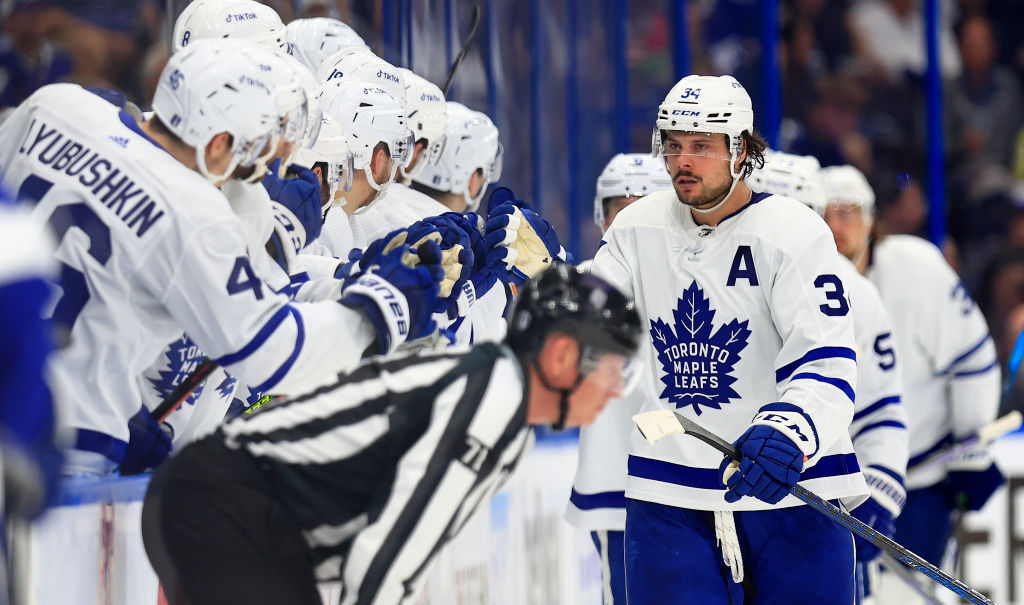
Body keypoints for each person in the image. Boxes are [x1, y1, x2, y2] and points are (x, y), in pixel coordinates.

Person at [0, 39, 441, 476]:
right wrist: (377, 310)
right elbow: (268, 349)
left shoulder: (53, 105)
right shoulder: (191, 211)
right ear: (218, 144)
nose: (255, 179)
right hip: (67, 447)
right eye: (255, 161)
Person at [141, 264, 642, 605]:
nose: (616, 392)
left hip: (236, 507)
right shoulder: (493, 400)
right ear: (560, 358)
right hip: (223, 501)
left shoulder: (502, 402)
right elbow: (386, 561)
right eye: (614, 370)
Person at [591, 74, 867, 603]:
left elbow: (827, 357)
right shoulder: (636, 228)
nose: (683, 161)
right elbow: (592, 316)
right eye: (673, 146)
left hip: (792, 488)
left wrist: (792, 431)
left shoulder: (793, 230)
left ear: (740, 150)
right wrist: (539, 275)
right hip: (670, 494)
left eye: (701, 146)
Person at [820, 164, 1004, 570]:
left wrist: (970, 454)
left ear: (870, 220)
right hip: (832, 488)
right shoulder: (791, 279)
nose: (834, 225)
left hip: (920, 478)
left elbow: (972, 360)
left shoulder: (916, 268)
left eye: (847, 211)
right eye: (822, 213)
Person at [750, 153, 908, 602]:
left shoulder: (855, 294)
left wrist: (877, 492)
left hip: (822, 505)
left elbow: (881, 412)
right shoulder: (718, 279)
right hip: (729, 504)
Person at [565, 152, 672, 604]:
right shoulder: (585, 283)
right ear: (601, 216)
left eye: (643, 205)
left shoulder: (699, 275)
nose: (629, 219)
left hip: (695, 482)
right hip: (619, 485)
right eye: (618, 208)